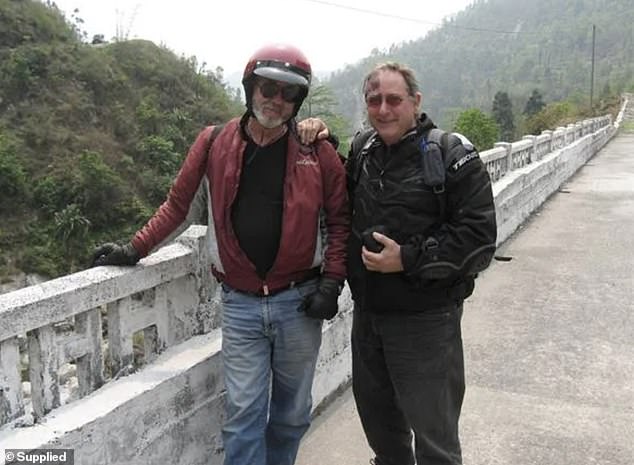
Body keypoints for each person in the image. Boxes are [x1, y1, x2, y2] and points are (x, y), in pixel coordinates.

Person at [91, 44, 349, 465]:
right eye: (268, 88)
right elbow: (178, 205)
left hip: (298, 303)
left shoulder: (316, 152)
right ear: (250, 87)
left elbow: (340, 222)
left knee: (291, 415)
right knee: (243, 413)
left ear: (298, 102)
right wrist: (134, 248)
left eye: (288, 94)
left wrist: (332, 283)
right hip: (241, 304)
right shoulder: (214, 142)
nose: (276, 100)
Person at [344, 62, 497, 465]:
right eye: (374, 100)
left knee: (435, 442)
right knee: (383, 433)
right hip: (369, 317)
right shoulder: (362, 151)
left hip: (426, 322)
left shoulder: (451, 155)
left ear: (415, 101)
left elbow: (479, 239)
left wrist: (407, 259)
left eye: (394, 99)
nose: (383, 109)